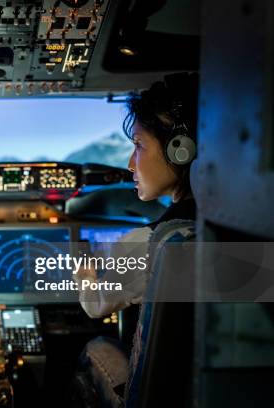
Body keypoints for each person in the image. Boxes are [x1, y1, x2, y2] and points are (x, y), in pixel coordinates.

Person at [72, 73, 199, 408]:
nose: (130, 163)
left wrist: (85, 275)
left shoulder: (152, 243)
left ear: (181, 151)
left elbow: (95, 305)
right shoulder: (231, 229)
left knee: (95, 347)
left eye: (139, 145)